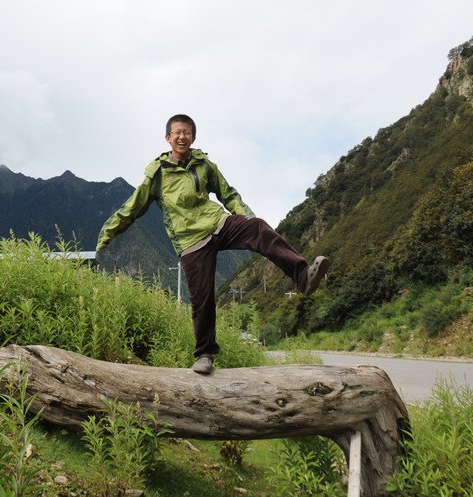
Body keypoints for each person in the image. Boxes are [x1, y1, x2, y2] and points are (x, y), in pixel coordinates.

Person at [96, 114, 330, 374]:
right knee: (202, 299)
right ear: (168, 138)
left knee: (258, 228)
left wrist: (244, 215)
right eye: (177, 132)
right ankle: (204, 354)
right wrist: (105, 236)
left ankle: (303, 276)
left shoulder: (204, 164)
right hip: (190, 241)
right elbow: (133, 207)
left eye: (187, 132)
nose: (182, 136)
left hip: (218, 223)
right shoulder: (158, 173)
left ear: (193, 137)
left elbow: (227, 194)